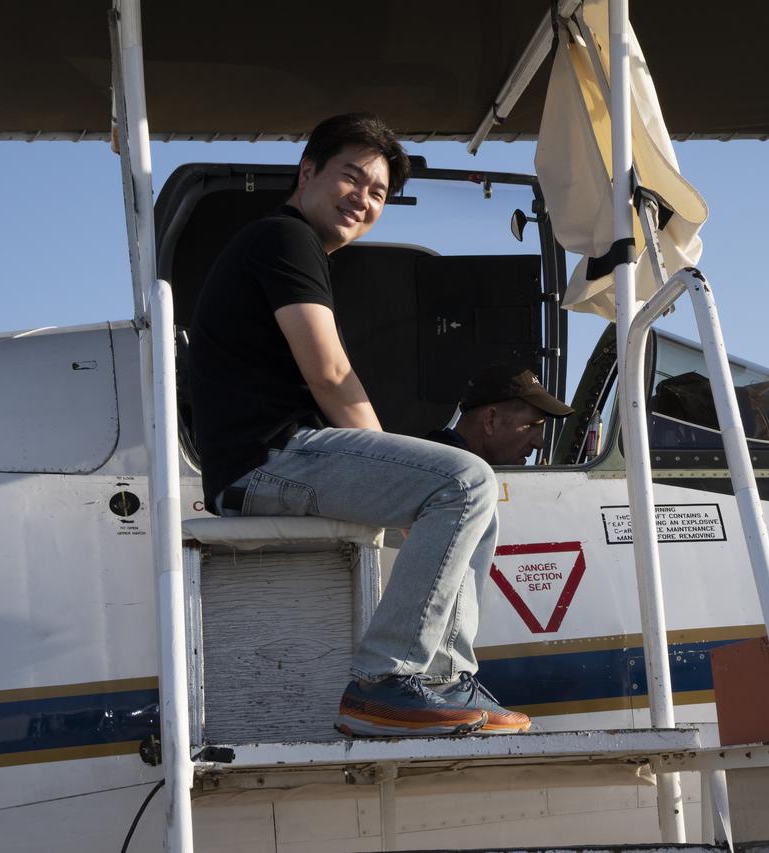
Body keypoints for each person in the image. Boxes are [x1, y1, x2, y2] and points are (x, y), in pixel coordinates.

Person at [189, 113, 529, 737]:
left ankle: (445, 681)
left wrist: (401, 479)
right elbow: (328, 372)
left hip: (269, 458)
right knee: (464, 481)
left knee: (475, 497)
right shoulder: (283, 239)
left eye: (378, 193)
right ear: (307, 171)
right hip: (266, 459)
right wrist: (400, 471)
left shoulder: (293, 247)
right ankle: (384, 682)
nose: (363, 199)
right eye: (351, 177)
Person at [427, 363, 572, 465]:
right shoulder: (454, 476)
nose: (539, 443)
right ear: (490, 420)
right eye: (531, 425)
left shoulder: (430, 464)